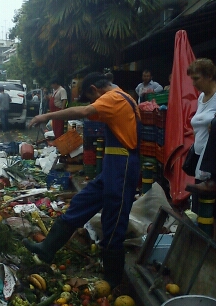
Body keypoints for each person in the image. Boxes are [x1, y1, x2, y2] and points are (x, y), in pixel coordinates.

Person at [24, 72, 140, 289]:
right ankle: (48, 248)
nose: (94, 103)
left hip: (122, 165)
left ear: (95, 90)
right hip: (112, 164)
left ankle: (113, 282)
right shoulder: (120, 98)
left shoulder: (114, 97)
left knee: (114, 220)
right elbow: (89, 114)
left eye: (92, 98)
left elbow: (85, 111)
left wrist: (47, 115)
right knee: (82, 201)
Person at [185, 58, 216, 238]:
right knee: (201, 210)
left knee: (214, 213)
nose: (194, 83)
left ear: (209, 76)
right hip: (199, 159)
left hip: (213, 166)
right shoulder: (201, 97)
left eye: (197, 78)